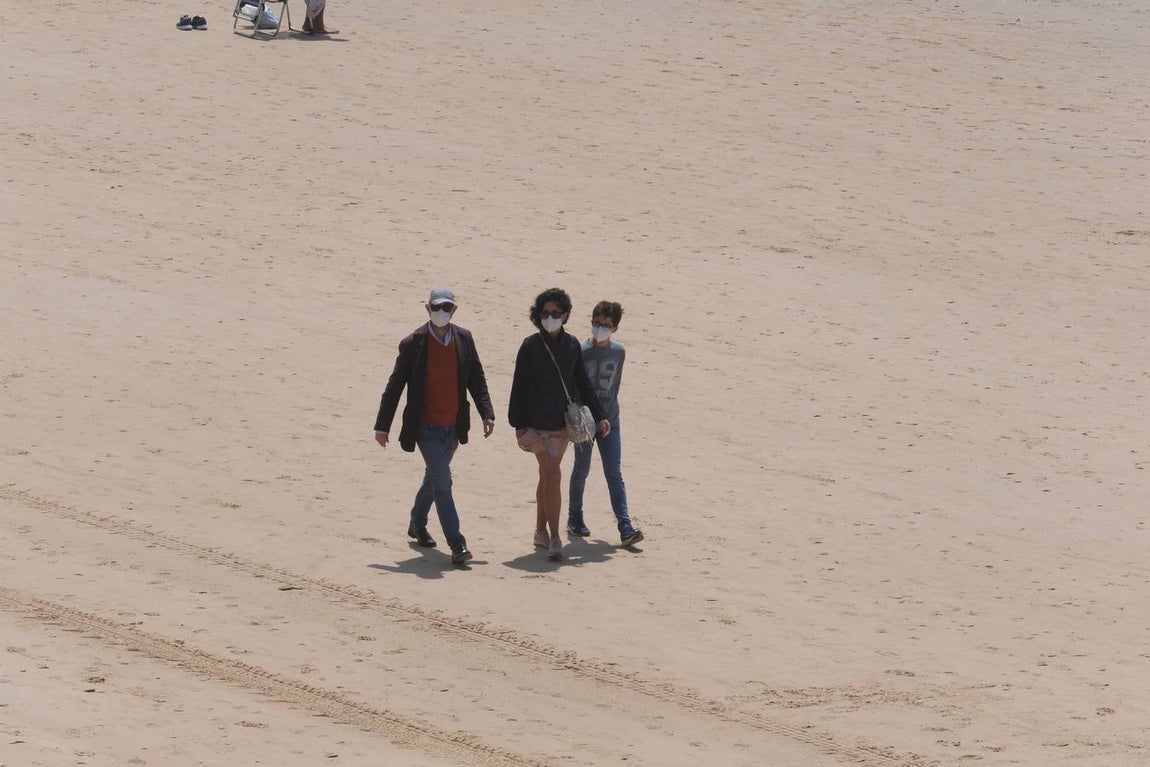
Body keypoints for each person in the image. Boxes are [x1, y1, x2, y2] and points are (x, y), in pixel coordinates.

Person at [374, 288, 495, 566]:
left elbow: (476, 377)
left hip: (453, 425)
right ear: (427, 308)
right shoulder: (413, 343)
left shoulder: (464, 338)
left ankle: (417, 523)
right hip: (425, 428)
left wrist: (486, 413)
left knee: (434, 477)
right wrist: (383, 426)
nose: (443, 312)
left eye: (448, 307)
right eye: (438, 307)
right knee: (443, 483)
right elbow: (394, 386)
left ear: (455, 309)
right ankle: (458, 544)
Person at [508, 288, 609, 561]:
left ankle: (540, 530)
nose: (549, 318)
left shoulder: (572, 345)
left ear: (565, 315)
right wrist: (517, 425)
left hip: (561, 426)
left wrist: (599, 415)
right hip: (533, 426)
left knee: (546, 476)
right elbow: (518, 387)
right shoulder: (530, 346)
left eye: (555, 313)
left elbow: (582, 384)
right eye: (544, 314)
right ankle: (554, 537)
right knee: (553, 475)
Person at [567, 301, 644, 547]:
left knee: (614, 473)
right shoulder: (579, 350)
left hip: (611, 420)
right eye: (597, 323)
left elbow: (615, 386)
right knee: (581, 471)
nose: (600, 328)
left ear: (615, 328)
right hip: (585, 423)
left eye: (606, 325)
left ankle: (625, 527)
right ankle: (574, 518)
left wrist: (608, 415)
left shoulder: (619, 351)